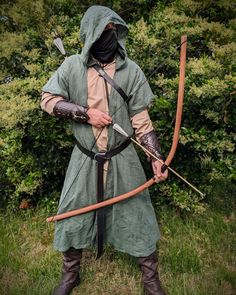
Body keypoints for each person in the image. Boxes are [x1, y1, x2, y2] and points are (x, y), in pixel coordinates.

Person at [41, 5, 168, 295]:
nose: (108, 35)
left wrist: (157, 159)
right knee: (73, 212)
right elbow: (47, 100)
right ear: (90, 33)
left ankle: (150, 281)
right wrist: (86, 113)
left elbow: (142, 121)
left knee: (138, 214)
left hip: (123, 156)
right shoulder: (72, 65)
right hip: (84, 158)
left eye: (113, 30)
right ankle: (70, 276)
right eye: (102, 30)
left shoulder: (131, 69)